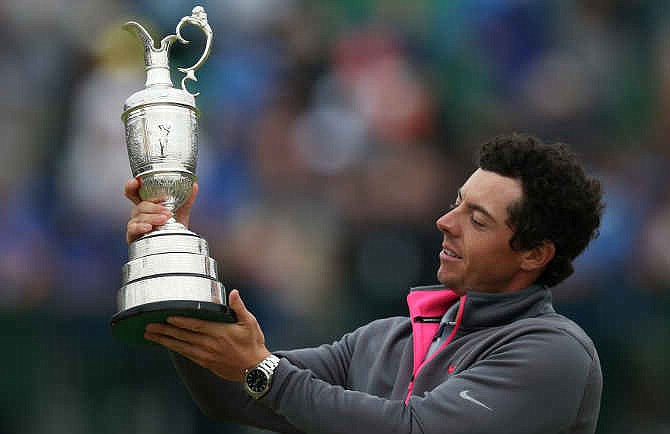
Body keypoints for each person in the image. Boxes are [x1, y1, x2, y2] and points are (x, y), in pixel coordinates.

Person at [125, 133, 604, 434]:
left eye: (477, 220)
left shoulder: (552, 353)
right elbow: (231, 387)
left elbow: (413, 429)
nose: (445, 221)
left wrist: (265, 371)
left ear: (534, 253)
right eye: (456, 203)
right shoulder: (384, 340)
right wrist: (173, 262)